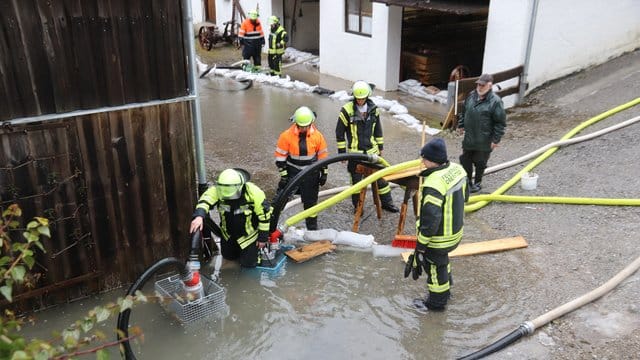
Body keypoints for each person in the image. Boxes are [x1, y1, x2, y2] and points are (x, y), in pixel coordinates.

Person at [405, 138, 468, 311]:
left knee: (433, 266)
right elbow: (466, 197)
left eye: (423, 158)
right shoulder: (458, 170)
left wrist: (421, 246)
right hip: (455, 232)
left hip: (439, 239)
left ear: (431, 160)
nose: (421, 161)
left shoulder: (433, 184)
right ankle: (446, 291)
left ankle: (436, 303)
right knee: (442, 262)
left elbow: (430, 221)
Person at [336, 81, 399, 213]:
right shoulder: (347, 110)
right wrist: (342, 153)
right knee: (357, 184)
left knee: (381, 180)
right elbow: (339, 132)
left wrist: (380, 146)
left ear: (367, 96)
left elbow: (378, 129)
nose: (360, 101)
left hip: (372, 152)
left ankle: (387, 203)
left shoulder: (373, 109)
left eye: (362, 98)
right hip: (355, 155)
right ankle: (358, 207)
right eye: (358, 99)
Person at [189, 168, 272, 268]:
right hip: (227, 235)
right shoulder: (218, 190)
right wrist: (199, 216)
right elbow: (205, 200)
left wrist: (262, 238)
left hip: (249, 238)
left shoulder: (254, 193)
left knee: (249, 265)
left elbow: (265, 217)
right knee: (228, 258)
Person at [274, 106, 329, 230]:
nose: (304, 128)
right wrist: (283, 176)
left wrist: (324, 173)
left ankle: (312, 229)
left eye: (306, 126)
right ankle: (271, 225)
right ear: (296, 123)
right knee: (280, 199)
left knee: (311, 203)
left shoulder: (318, 137)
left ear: (311, 123)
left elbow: (323, 157)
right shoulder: (286, 136)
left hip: (311, 174)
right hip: (292, 173)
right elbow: (280, 158)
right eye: (301, 126)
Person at [457, 73, 507, 193]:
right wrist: (461, 125)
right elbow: (464, 111)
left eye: (482, 85)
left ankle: (477, 182)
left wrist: (496, 140)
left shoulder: (496, 102)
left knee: (480, 162)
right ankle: (468, 182)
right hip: (469, 138)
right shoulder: (471, 96)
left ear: (489, 86)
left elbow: (500, 123)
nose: (479, 87)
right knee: (465, 160)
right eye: (478, 84)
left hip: (484, 140)